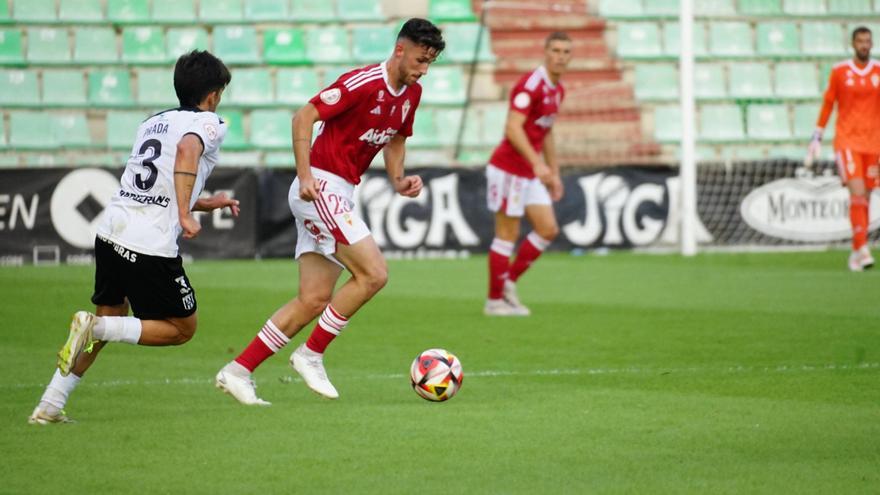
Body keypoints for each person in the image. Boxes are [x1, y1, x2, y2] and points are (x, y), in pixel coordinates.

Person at [215, 18, 445, 405]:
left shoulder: (411, 94)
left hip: (341, 191)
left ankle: (237, 370)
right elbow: (303, 116)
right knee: (373, 274)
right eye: (420, 60)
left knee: (313, 300)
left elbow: (396, 137)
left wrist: (398, 178)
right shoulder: (363, 83)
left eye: (430, 64)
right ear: (400, 49)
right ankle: (311, 354)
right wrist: (305, 175)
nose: (423, 70)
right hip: (320, 184)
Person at [28, 50, 237, 424]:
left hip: (112, 232)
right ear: (213, 95)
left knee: (108, 315)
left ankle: (49, 405)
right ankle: (98, 328)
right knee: (181, 328)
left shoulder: (152, 123)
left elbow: (156, 183)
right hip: (149, 243)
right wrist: (187, 214)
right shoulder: (209, 123)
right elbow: (188, 152)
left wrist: (207, 203)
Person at [483, 32, 572, 316]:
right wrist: (537, 164)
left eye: (565, 51)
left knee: (548, 229)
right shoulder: (530, 85)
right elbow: (512, 127)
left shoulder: (558, 90)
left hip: (530, 172)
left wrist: (554, 172)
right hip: (509, 168)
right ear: (545, 52)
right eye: (555, 50)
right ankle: (494, 301)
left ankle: (507, 282)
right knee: (507, 235)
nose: (560, 55)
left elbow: (546, 131)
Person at [808, 27, 880, 272]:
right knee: (858, 193)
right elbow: (829, 103)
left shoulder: (879, 71)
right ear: (853, 44)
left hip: (873, 143)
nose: (864, 45)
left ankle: (855, 251)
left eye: (868, 41)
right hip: (847, 141)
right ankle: (862, 248)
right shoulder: (840, 71)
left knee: (866, 198)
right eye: (860, 41)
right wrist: (817, 135)